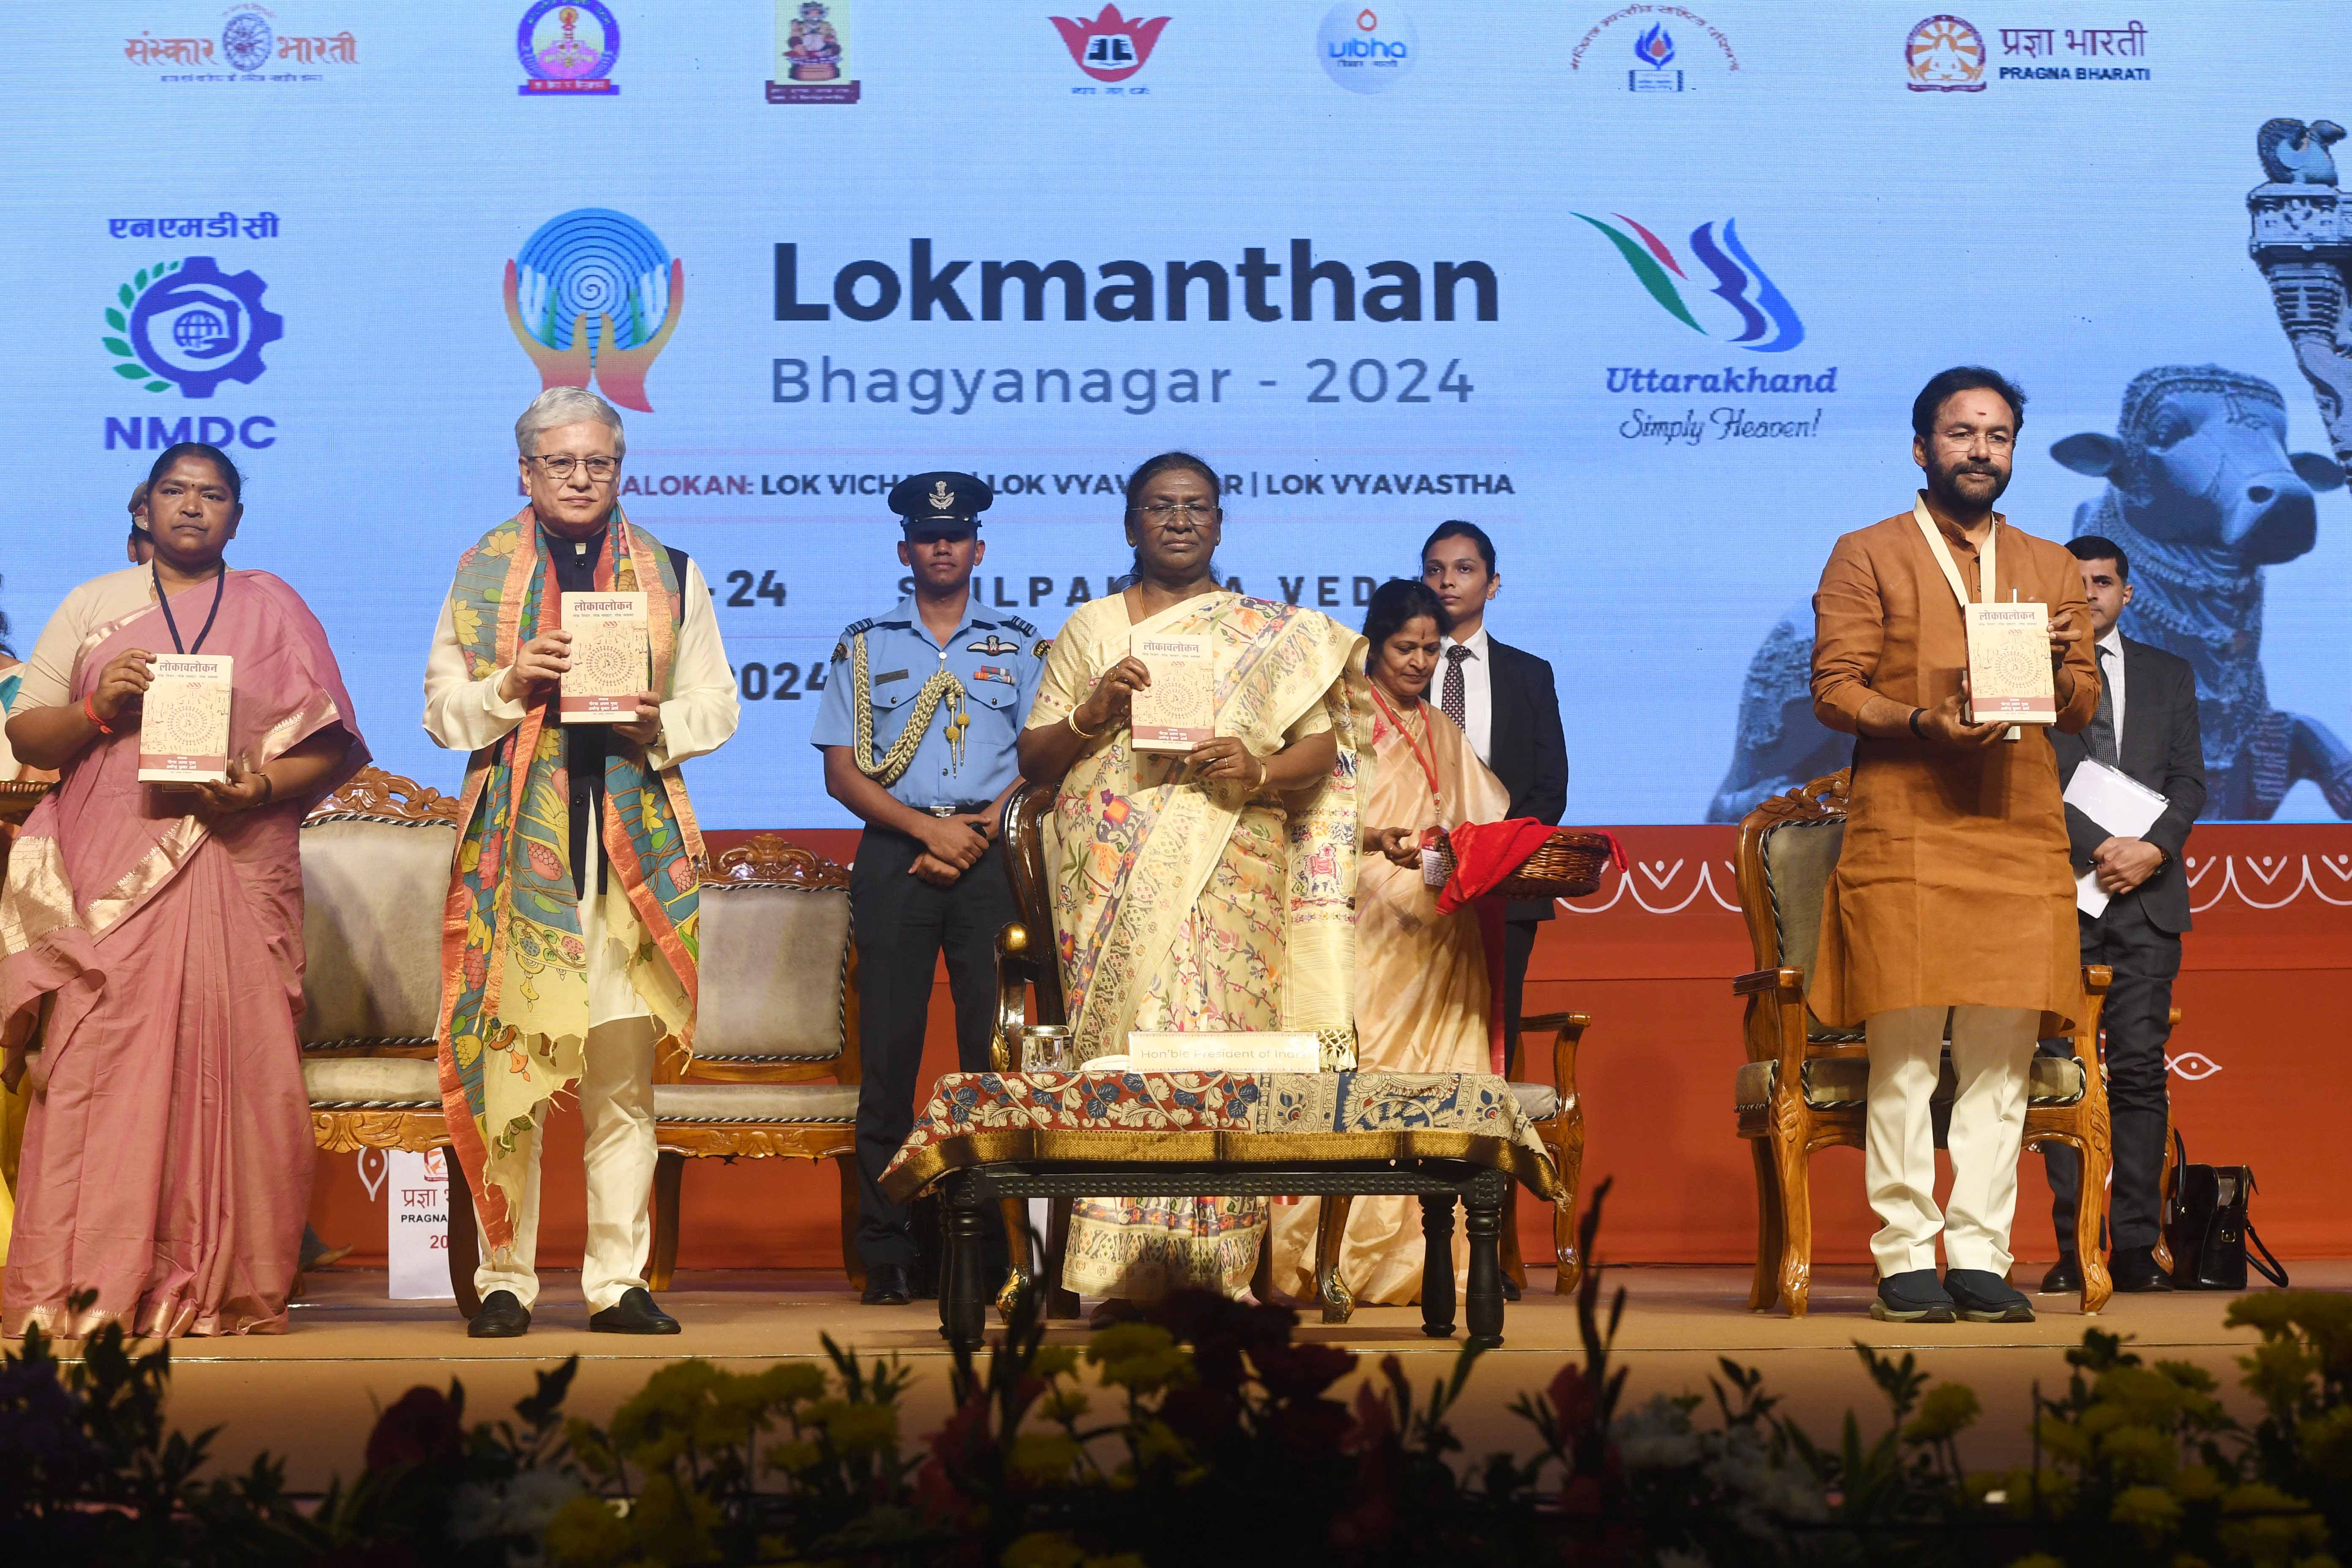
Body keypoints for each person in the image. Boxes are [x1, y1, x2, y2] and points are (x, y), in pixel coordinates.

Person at [0, 442, 367, 1337]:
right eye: (175, 490)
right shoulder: (95, 606)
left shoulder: (273, 608)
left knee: (240, 1069)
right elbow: (31, 736)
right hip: (112, 867)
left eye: (213, 495)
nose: (194, 506)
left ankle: (221, 1283)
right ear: (144, 508)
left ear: (237, 517)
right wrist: (97, 710)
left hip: (239, 860)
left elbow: (331, 742)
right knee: (98, 1060)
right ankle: (80, 1286)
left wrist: (261, 786)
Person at [1016, 451, 1368, 1307]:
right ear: (1129, 522)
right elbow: (1034, 758)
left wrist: (1258, 763)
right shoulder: (1091, 629)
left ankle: (1222, 1272)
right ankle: (1111, 1270)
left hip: (1234, 875)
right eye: (1160, 506)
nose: (1179, 520)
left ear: (1219, 521)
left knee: (1221, 1054)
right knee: (1128, 1057)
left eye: (1196, 506)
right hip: (1112, 885)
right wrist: (1095, 711)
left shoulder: (1271, 632)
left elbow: (1323, 747)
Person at [423, 387, 739, 1339]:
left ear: (620, 466)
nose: (580, 477)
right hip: (520, 868)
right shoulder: (480, 574)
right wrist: (509, 683)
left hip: (627, 863)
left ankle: (618, 1281)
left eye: (597, 462)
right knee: (512, 1072)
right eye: (560, 463)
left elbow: (718, 705)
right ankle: (507, 1279)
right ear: (526, 470)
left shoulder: (673, 573)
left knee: (621, 1081)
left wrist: (659, 723)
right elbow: (440, 714)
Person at [1809, 367, 2097, 1326]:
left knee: (2000, 1055)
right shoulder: (1868, 552)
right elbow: (1834, 688)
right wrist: (1921, 719)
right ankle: (1903, 1253)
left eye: (1999, 435)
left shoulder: (2053, 566)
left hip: (2017, 822)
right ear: (1922, 445)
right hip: (1909, 820)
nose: (1982, 450)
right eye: (1963, 432)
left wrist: (2066, 652)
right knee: (1902, 1052)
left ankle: (1979, 1253)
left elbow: (2084, 705)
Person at [810, 472, 1041, 1307]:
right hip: (896, 853)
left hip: (990, 858)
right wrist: (927, 830)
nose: (941, 546)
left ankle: (986, 1246)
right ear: (904, 550)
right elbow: (842, 771)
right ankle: (888, 1248)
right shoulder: (863, 644)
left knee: (992, 1056)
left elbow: (1038, 762)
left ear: (979, 549)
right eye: (926, 534)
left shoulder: (1017, 645)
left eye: (957, 534)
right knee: (891, 1059)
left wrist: (972, 831)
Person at [1267, 578, 1508, 1305]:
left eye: (1432, 649)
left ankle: (1422, 1261)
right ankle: (1332, 1255)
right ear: (1374, 646)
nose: (1420, 661)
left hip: (1437, 932)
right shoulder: (1337, 721)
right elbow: (1299, 821)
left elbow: (1479, 819)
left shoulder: (1440, 727)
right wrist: (1374, 838)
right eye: (1406, 647)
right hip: (1359, 927)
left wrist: (1450, 848)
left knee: (1438, 1081)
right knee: (1360, 1079)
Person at [2038, 535, 2205, 1296]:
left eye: (2103, 582)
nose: (2091, 594)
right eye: (2076, 584)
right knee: (2063, 1079)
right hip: (2058, 898)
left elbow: (2190, 783)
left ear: (2127, 593)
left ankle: (2137, 1248)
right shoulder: (2028, 677)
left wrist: (2154, 851)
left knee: (2138, 1074)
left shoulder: (2171, 675)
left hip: (2148, 900)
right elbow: (2027, 781)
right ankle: (2077, 1247)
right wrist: (2105, 847)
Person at [1420, 523, 1568, 1075]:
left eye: (1464, 569)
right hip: (1411, 881)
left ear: (1493, 583)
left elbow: (1551, 786)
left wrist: (1493, 855)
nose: (1447, 582)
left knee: (1493, 1030)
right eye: (1434, 570)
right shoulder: (1393, 671)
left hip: (1504, 884)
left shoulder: (1529, 674)